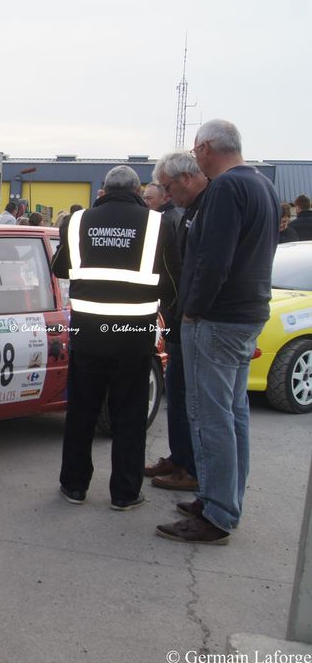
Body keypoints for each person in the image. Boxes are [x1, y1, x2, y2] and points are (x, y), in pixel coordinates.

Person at [157, 119, 278, 546]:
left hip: (217, 320)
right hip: (246, 315)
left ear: (207, 147)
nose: (196, 156)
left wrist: (192, 311)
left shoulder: (226, 188)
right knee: (233, 413)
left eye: (196, 149)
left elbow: (214, 260)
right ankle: (220, 499)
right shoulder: (261, 184)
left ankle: (218, 513)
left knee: (210, 418)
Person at [51, 165, 179, 511]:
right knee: (129, 413)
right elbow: (171, 281)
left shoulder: (78, 221)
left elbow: (60, 269)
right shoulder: (157, 223)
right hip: (133, 335)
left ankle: (74, 486)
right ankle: (124, 493)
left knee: (82, 412)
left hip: (88, 332)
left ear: (103, 190)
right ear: (138, 190)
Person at [146, 151, 209, 492]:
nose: (167, 194)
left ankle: (189, 466)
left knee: (188, 396)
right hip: (178, 311)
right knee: (177, 389)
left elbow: (181, 269)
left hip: (185, 314)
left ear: (184, 179)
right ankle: (179, 457)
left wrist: (182, 309)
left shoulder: (176, 218)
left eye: (167, 188)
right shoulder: (185, 214)